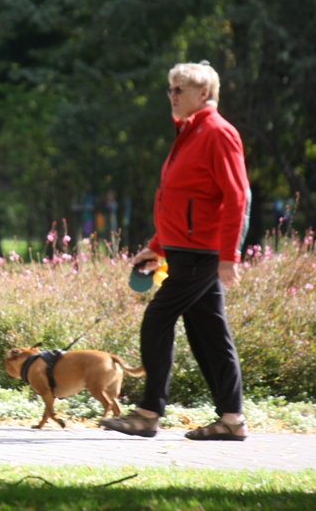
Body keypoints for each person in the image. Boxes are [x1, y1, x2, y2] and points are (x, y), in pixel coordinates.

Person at [99, 61, 252, 441]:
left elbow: (237, 197)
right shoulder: (188, 133)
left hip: (203, 254)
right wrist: (155, 248)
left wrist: (229, 256)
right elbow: (181, 201)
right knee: (209, 335)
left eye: (179, 89)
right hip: (185, 250)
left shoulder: (218, 133)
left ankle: (149, 412)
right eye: (170, 89)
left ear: (204, 94)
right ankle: (232, 420)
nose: (172, 95)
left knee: (157, 319)